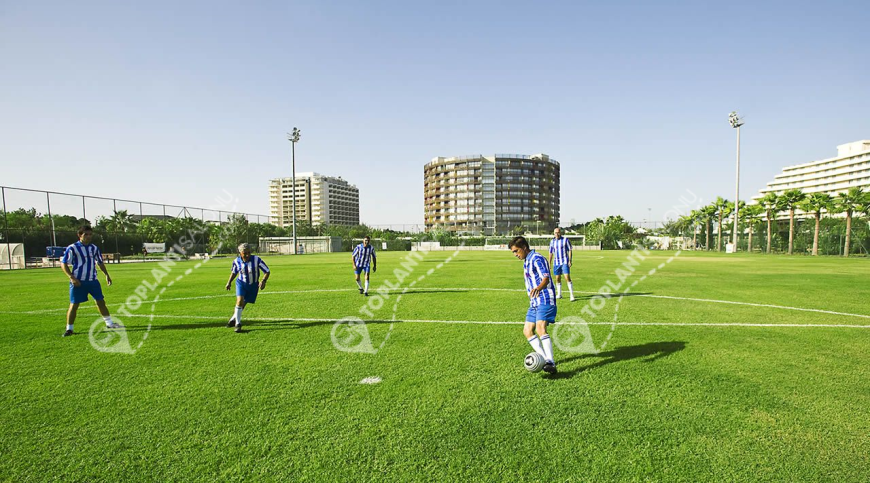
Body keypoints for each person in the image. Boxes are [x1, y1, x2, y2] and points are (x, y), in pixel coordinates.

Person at [61, 225, 121, 337]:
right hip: (78, 281)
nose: (89, 237)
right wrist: (72, 277)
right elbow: (64, 263)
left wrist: (107, 275)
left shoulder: (94, 248)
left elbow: (100, 262)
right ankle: (69, 329)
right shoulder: (73, 248)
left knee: (101, 302)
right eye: (86, 234)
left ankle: (109, 323)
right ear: (79, 235)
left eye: (90, 234)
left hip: (93, 281)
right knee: (74, 305)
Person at [509, 235, 557, 374]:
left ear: (524, 247)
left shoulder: (537, 258)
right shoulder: (527, 261)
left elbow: (546, 278)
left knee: (541, 328)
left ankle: (551, 362)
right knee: (527, 331)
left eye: (516, 251)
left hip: (545, 298)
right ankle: (543, 358)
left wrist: (538, 288)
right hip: (534, 302)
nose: (515, 255)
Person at [225, 243, 270, 333]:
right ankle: (238, 324)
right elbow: (234, 272)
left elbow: (267, 271)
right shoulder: (236, 261)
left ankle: (233, 319)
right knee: (239, 301)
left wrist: (263, 281)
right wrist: (229, 282)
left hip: (253, 285)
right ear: (240, 253)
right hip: (241, 283)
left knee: (243, 304)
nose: (247, 255)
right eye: (245, 253)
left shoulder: (256, 260)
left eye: (249, 253)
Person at [548, 227, 575, 301]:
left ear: (560, 233)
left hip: (564, 261)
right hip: (556, 262)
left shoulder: (565, 240)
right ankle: (559, 294)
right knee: (557, 278)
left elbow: (570, 250)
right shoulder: (552, 241)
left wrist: (570, 260)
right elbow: (551, 252)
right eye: (555, 233)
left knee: (567, 277)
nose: (556, 234)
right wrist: (549, 263)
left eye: (558, 232)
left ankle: (571, 295)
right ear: (554, 233)